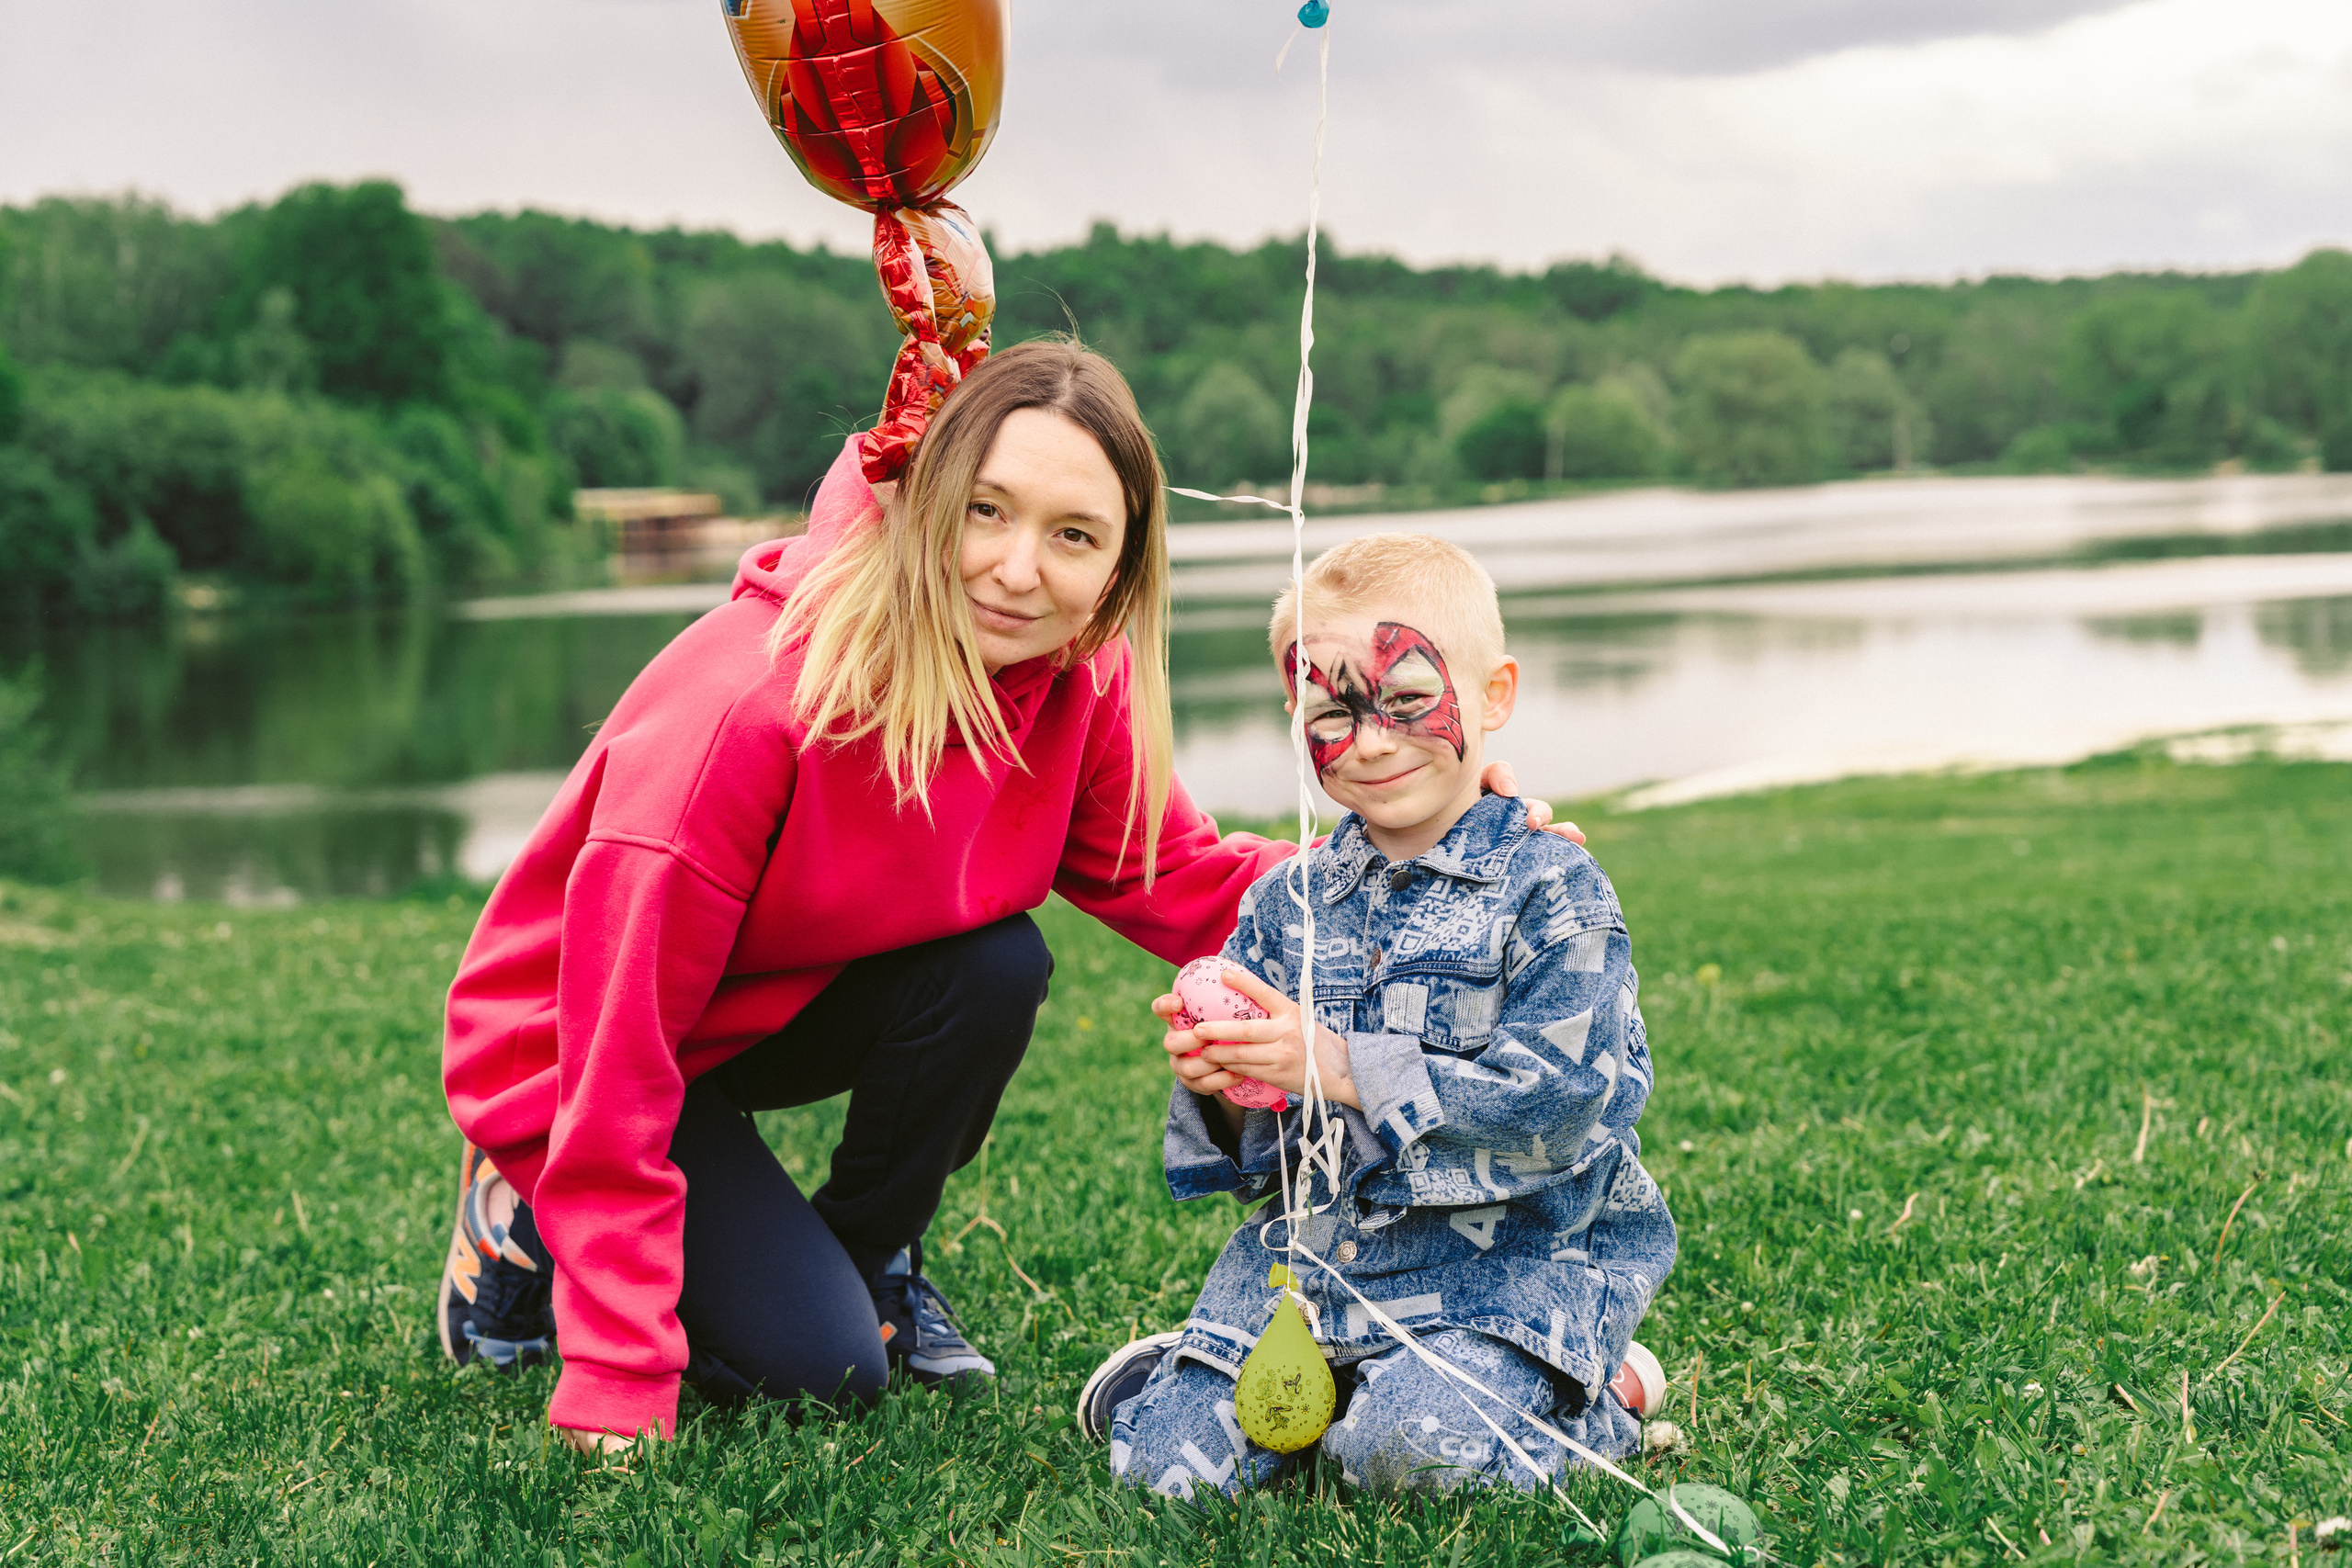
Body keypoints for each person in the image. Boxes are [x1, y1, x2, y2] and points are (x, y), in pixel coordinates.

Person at [434, 340, 1579, 1453]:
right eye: (987, 509)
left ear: (1118, 573)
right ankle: (519, 1223)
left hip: (764, 1010)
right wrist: (618, 1373)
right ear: (926, 499)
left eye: (1073, 535)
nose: (1018, 568)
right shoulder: (748, 705)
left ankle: (863, 1263)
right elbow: (616, 1047)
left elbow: (1174, 877)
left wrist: (1422, 848)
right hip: (573, 1049)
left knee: (993, 968)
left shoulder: (1080, 680)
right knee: (812, 1377)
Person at [1075, 532, 1675, 1498]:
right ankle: (1205, 1369)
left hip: (1510, 1282)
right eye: (1331, 712)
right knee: (1164, 1478)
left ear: (1493, 696)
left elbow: (1569, 1108)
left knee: (1410, 1457)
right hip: (1317, 1278)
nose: (1372, 740)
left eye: (1406, 700)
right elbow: (1261, 1162)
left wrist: (1340, 1062)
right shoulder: (1282, 907)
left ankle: (1598, 1389)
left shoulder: (1551, 887)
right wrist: (1232, 1085)